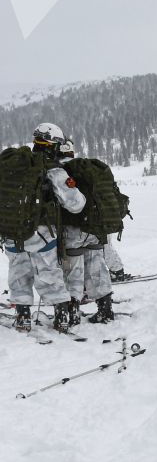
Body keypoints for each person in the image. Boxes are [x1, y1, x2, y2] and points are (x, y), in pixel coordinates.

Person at [1, 123, 85, 332]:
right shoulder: (53, 170)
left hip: (12, 231)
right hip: (42, 233)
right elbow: (76, 205)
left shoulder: (15, 166)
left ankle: (22, 318)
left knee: (18, 273)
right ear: (53, 145)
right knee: (49, 273)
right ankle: (62, 317)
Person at [56, 138, 116, 324]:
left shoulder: (59, 171)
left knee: (72, 270)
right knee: (97, 268)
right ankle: (105, 309)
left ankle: (72, 313)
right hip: (95, 227)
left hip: (73, 228)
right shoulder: (87, 168)